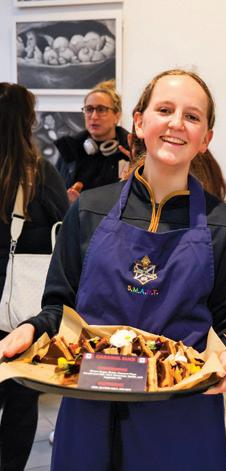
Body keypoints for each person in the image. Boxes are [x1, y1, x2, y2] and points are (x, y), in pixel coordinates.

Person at [0, 69, 226, 470]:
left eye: (191, 116)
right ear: (139, 122)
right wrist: (32, 329)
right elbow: (60, 308)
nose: (176, 123)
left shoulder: (225, 225)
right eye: (164, 110)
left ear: (205, 138)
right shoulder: (90, 209)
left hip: (182, 416)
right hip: (90, 406)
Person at [0, 83, 68, 471]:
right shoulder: (37, 173)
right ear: (28, 121)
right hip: (21, 314)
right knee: (21, 402)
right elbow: (65, 225)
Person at [55, 80, 130, 203]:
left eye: (101, 109)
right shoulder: (69, 149)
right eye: (89, 109)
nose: (94, 116)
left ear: (117, 116)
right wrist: (66, 202)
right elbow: (56, 195)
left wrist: (82, 204)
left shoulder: (130, 151)